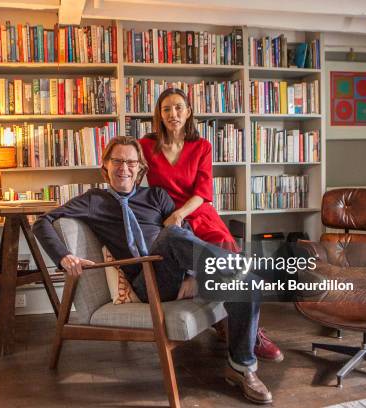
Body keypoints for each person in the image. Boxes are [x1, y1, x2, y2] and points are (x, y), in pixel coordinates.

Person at [34, 136, 273, 404]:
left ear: (140, 169)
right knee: (169, 236)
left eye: (131, 162)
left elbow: (187, 234)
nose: (124, 167)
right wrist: (64, 256)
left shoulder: (156, 196)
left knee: (246, 284)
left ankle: (242, 367)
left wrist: (193, 277)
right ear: (105, 167)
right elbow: (43, 221)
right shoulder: (94, 200)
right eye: (117, 161)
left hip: (181, 274)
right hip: (147, 283)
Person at [138, 88, 283, 363]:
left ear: (189, 111)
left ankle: (248, 330)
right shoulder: (146, 145)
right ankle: (226, 321)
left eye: (179, 107)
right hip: (165, 213)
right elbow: (126, 168)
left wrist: (181, 213)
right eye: (166, 109)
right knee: (179, 244)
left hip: (196, 209)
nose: (173, 114)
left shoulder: (201, 145)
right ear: (159, 114)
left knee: (224, 244)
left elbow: (203, 191)